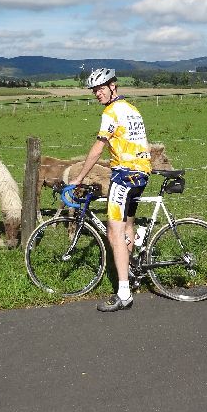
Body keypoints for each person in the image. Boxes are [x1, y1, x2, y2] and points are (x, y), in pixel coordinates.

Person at [69, 68, 151, 312]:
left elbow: (98, 148)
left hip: (125, 175)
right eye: (94, 90)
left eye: (101, 88)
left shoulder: (111, 112)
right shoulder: (132, 109)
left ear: (113, 86)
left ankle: (124, 293)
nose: (97, 93)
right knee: (127, 226)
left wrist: (79, 178)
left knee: (113, 233)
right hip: (141, 173)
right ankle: (134, 260)